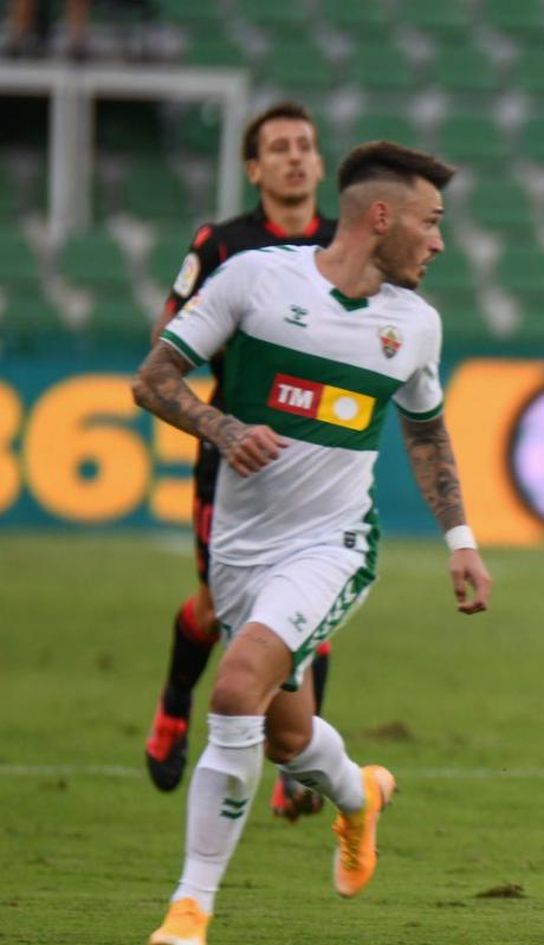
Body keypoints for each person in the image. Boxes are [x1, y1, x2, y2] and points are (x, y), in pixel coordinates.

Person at [133, 140, 492, 945]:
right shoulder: (257, 280)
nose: (439, 242)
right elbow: (154, 379)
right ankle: (359, 792)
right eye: (430, 223)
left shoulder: (415, 326)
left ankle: (191, 906)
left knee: (232, 690)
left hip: (333, 545)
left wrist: (460, 541)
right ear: (381, 217)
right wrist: (223, 427)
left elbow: (427, 429)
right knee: (285, 736)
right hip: (240, 547)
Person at [142, 101, 341, 824]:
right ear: (254, 168)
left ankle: (296, 763)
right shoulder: (222, 247)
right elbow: (169, 343)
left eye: (305, 146)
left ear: (320, 164)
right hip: (235, 461)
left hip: (321, 465)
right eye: (278, 148)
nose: (294, 157)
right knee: (224, 612)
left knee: (308, 615)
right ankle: (173, 703)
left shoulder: (345, 249)